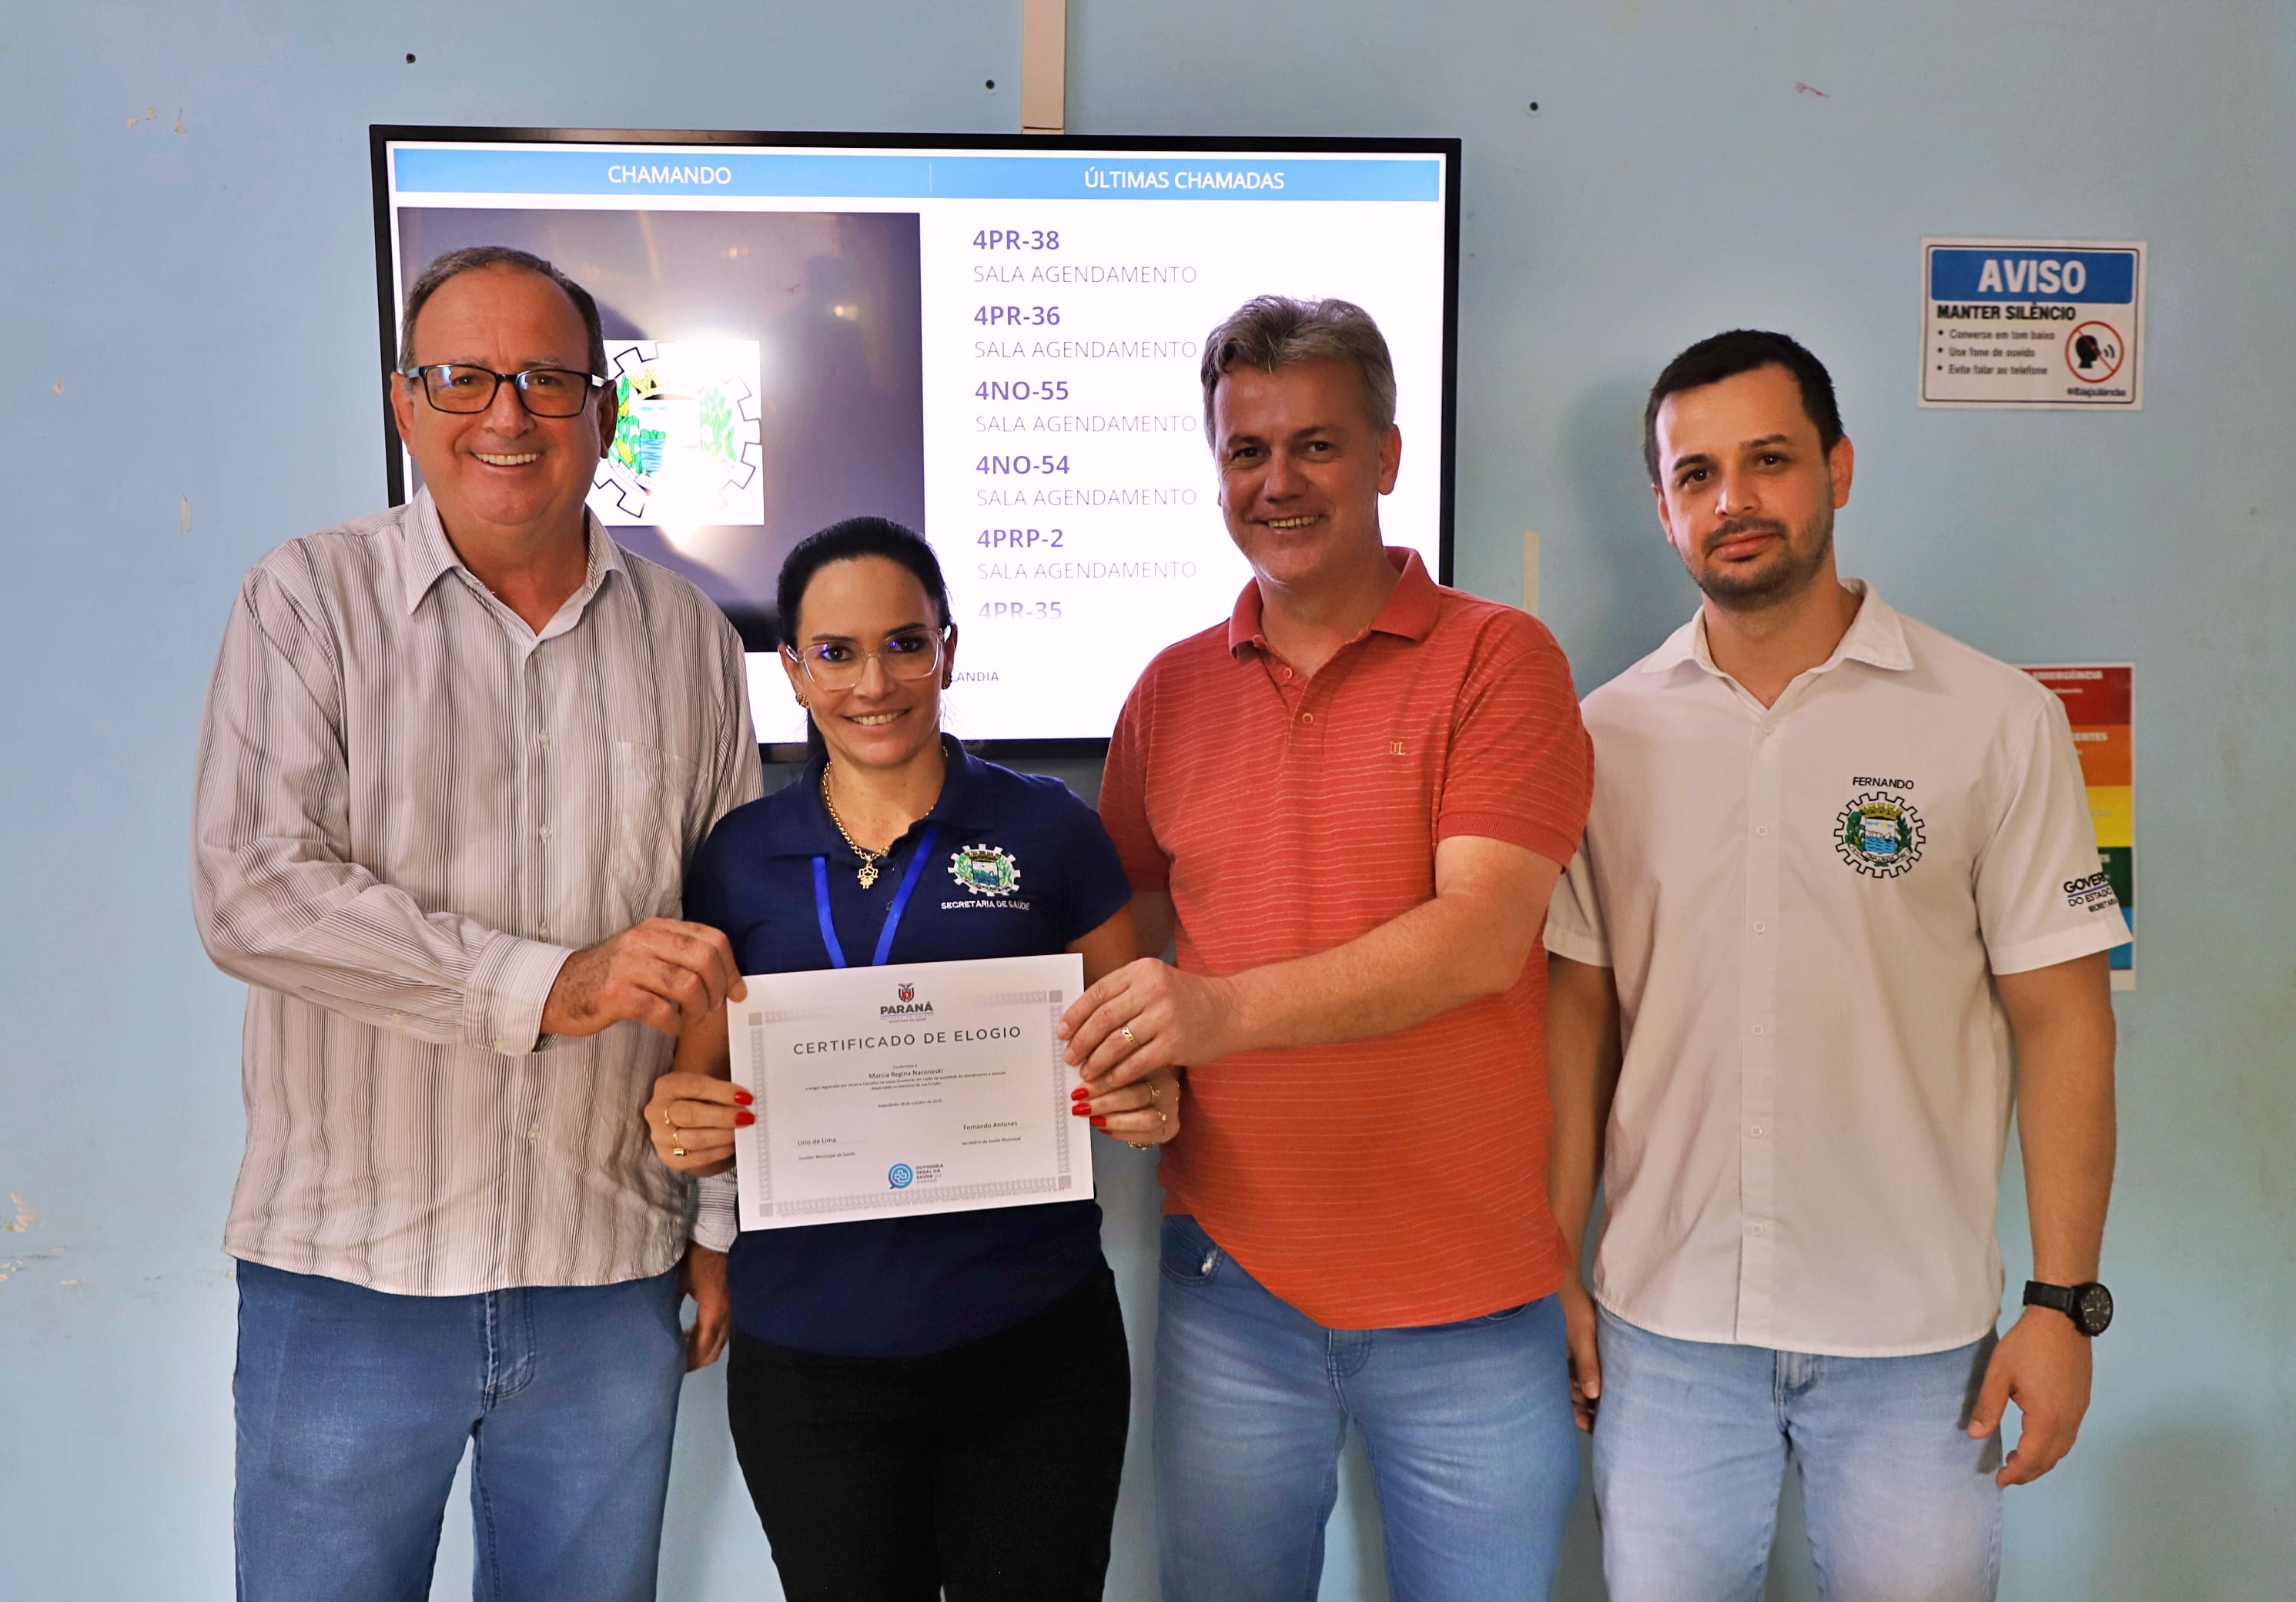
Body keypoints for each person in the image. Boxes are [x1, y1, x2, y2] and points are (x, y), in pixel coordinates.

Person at [192, 245, 755, 1601]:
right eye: (462, 378)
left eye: (549, 380)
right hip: (349, 1274)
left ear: (603, 414)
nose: (507, 413)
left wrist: (719, 1223)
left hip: (606, 1272)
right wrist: (553, 986)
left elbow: (724, 950)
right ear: (406, 404)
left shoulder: (692, 640)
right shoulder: (307, 600)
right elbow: (254, 890)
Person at [1544, 329, 2127, 1600]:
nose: (1733, 500)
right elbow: (1577, 1018)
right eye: (1696, 475)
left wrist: (2063, 1303)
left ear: (1839, 469)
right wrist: (1552, 1270)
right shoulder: (1602, 737)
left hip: (1917, 1344)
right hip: (1667, 1329)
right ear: (1661, 509)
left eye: (1769, 460)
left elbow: (2066, 1021)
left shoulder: (1995, 720)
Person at [1060, 296, 1593, 1601]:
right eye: (1247, 451)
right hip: (1232, 1284)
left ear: (1388, 456)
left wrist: (1212, 1015)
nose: (1278, 482)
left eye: (1316, 446)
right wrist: (1117, 1062)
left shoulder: (1500, 660)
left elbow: (1481, 939)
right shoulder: (1169, 692)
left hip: (1473, 1301)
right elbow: (1116, 940)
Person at [642, 516, 1181, 1602]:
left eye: (904, 644)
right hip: (812, 1364)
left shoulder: (1049, 831)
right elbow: (696, 1091)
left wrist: (1149, 1100)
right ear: (793, 670)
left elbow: (1140, 1053)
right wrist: (682, 1129)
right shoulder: (739, 857)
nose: (874, 682)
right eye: (835, 653)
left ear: (948, 648)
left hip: (1032, 1346)